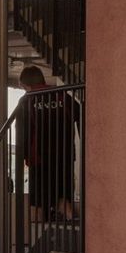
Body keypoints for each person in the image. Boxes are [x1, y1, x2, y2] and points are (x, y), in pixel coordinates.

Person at [19, 65, 81, 225]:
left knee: (38, 202)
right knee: (63, 196)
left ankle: (38, 240)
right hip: (64, 158)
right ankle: (70, 229)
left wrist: (24, 155)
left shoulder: (27, 101)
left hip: (39, 159)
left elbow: (23, 132)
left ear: (25, 84)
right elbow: (80, 112)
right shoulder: (62, 96)